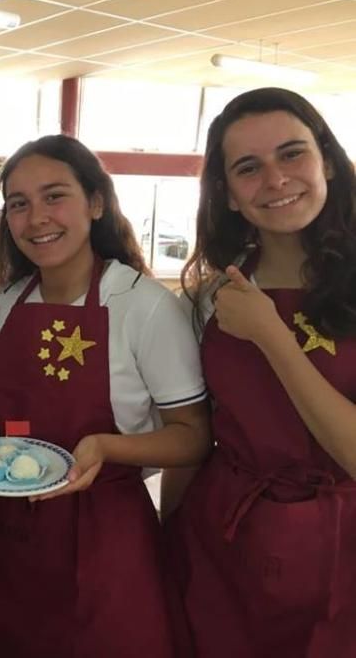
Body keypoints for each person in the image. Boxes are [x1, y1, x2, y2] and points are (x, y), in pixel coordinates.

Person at [0, 135, 210, 658]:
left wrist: (106, 447)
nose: (36, 218)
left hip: (105, 534)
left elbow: (193, 437)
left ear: (95, 202)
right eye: (19, 204)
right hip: (6, 535)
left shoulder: (143, 306)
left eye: (54, 196)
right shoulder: (2, 304)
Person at [164, 87, 356, 657]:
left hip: (340, 549)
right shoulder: (209, 298)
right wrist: (164, 532)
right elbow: (196, 434)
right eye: (248, 167)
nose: (275, 179)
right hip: (224, 539)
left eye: (292, 154)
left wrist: (272, 335)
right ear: (226, 193)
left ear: (327, 160)